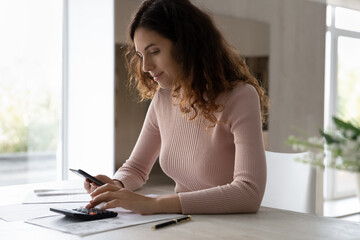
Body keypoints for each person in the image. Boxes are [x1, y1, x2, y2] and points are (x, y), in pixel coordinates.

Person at [84, 0, 269, 215]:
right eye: (141, 55)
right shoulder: (163, 98)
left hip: (230, 229)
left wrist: (154, 204)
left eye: (154, 51)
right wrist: (117, 185)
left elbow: (248, 193)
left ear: (186, 45)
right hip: (182, 225)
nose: (145, 67)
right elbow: (136, 167)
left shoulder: (240, 97)